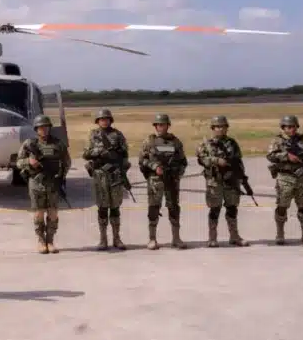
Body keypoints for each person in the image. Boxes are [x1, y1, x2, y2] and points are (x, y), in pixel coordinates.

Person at [16, 114, 72, 254]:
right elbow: (18, 162)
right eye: (41, 128)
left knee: (53, 213)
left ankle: (51, 241)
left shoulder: (58, 144)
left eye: (46, 127)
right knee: (39, 213)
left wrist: (61, 177)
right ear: (36, 129)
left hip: (53, 183)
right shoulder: (30, 144)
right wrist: (29, 162)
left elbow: (67, 162)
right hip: (36, 183)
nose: (44, 130)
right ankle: (41, 241)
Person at [195, 115, 249, 247]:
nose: (221, 129)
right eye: (218, 127)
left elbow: (238, 161)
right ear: (213, 128)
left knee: (232, 208)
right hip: (215, 182)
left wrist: (242, 178)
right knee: (215, 209)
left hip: (231, 181)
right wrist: (216, 160)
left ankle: (234, 236)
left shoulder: (232, 143)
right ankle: (212, 238)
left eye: (223, 126)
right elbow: (202, 160)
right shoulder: (206, 145)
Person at [138, 114, 188, 250]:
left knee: (174, 208)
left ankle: (176, 238)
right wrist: (155, 168)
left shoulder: (175, 142)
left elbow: (183, 161)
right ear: (155, 126)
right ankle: (152, 239)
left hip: (172, 180)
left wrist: (178, 173)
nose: (161, 127)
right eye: (159, 125)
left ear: (168, 125)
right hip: (155, 181)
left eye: (163, 124)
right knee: (154, 208)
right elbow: (142, 161)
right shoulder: (149, 142)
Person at [82, 108, 129, 250]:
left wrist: (122, 170)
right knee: (102, 207)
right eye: (102, 119)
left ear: (110, 120)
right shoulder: (93, 135)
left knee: (115, 207)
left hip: (115, 175)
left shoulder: (118, 135)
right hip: (100, 175)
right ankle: (103, 240)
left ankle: (117, 238)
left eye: (107, 119)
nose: (104, 121)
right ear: (98, 121)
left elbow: (124, 154)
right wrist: (99, 152)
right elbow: (86, 154)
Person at [266, 115, 303, 245]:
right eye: (288, 127)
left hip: (301, 178)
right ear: (283, 128)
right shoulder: (277, 142)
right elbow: (270, 156)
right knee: (282, 206)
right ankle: (280, 233)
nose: (291, 129)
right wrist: (286, 156)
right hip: (285, 177)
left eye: (293, 126)